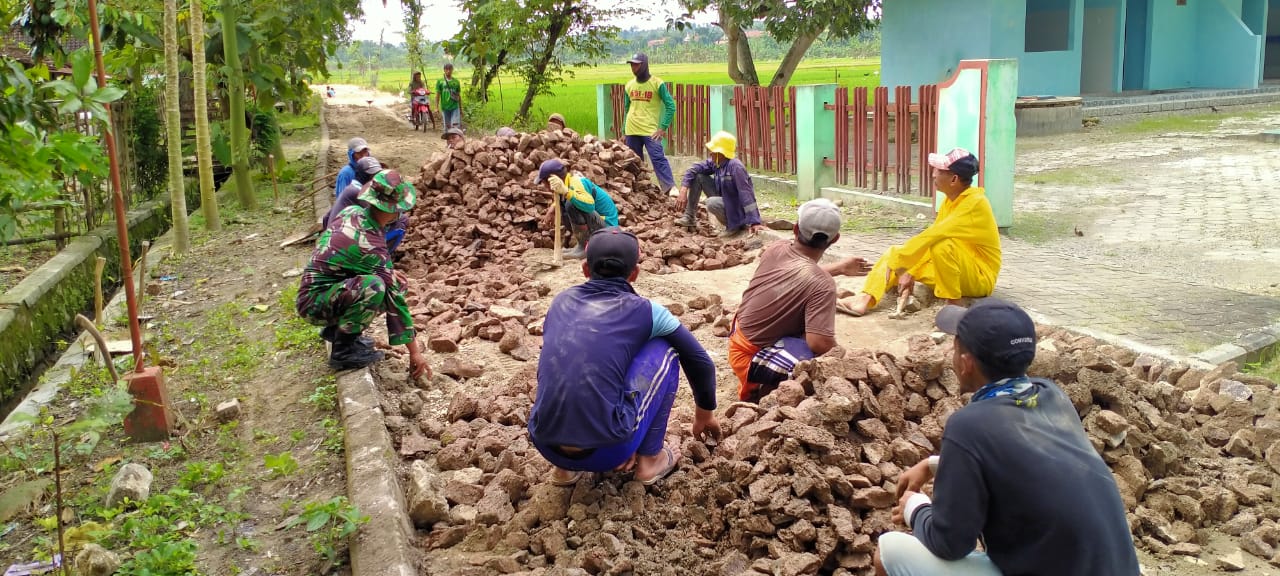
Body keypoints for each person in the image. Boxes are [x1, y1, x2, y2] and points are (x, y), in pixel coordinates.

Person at [874, 299, 1140, 576]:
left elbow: (950, 543)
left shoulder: (967, 425)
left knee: (887, 552)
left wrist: (915, 509)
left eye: (954, 348)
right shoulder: (1051, 394)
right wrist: (933, 465)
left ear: (965, 364)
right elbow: (1020, 462)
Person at [527, 228, 720, 487]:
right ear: (635, 274)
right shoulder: (646, 311)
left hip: (544, 442)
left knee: (576, 356)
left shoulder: (560, 302)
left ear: (585, 270)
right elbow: (700, 361)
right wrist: (704, 415)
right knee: (666, 349)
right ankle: (650, 460)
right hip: (609, 450)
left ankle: (564, 469)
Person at [728, 199, 871, 402]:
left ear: (795, 230)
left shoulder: (776, 249)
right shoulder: (822, 285)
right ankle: (762, 392)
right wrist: (848, 364)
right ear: (835, 239)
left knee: (809, 331)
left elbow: (798, 274)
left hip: (738, 336)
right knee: (817, 365)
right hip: (749, 357)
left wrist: (839, 268)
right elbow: (820, 343)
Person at [297, 170, 430, 376]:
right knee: (376, 287)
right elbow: (396, 301)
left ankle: (338, 331)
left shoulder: (352, 212)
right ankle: (343, 351)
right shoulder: (371, 245)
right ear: (393, 210)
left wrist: (389, 273)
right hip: (314, 303)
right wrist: (415, 353)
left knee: (393, 281)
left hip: (325, 292)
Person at [840, 148, 1001, 317]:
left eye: (938, 171)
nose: (933, 174)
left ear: (954, 179)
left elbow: (933, 236)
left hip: (979, 277)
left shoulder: (975, 203)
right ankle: (865, 299)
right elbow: (928, 243)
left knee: (936, 247)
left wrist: (902, 261)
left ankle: (954, 305)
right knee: (892, 255)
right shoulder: (951, 200)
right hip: (955, 269)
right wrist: (909, 270)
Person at [675, 131, 763, 238]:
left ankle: (735, 226)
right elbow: (693, 169)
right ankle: (689, 217)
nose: (711, 153)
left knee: (712, 202)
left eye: (713, 150)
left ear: (722, 153)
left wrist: (754, 221)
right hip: (726, 201)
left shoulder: (735, 167)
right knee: (698, 177)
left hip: (736, 209)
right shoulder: (717, 163)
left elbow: (746, 194)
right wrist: (684, 189)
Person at [536, 158, 620, 259]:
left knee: (571, 203)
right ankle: (581, 245)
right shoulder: (564, 185)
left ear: (551, 179)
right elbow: (561, 199)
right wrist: (553, 208)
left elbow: (589, 206)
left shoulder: (576, 183)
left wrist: (567, 192)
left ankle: (584, 247)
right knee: (566, 204)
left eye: (544, 182)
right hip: (599, 225)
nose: (544, 186)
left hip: (608, 229)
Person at [325, 158, 408, 255]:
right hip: (344, 246)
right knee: (401, 221)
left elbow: (326, 217)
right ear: (363, 175)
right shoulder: (359, 192)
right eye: (373, 176)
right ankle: (380, 254)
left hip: (334, 239)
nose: (376, 179)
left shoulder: (351, 188)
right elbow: (378, 216)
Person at [623, 53, 676, 193]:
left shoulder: (657, 84)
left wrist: (663, 127)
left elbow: (671, 106)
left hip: (650, 130)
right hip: (631, 129)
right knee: (634, 162)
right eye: (631, 65)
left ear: (644, 64)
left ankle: (669, 189)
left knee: (658, 158)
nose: (633, 68)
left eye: (636, 64)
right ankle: (639, 189)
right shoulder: (629, 86)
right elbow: (627, 109)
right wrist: (624, 131)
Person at [436, 63, 462, 130]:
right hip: (445, 107)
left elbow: (459, 96)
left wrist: (461, 109)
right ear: (444, 70)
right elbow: (438, 95)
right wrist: (436, 107)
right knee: (447, 127)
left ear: (452, 70)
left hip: (455, 107)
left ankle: (456, 139)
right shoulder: (440, 81)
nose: (448, 71)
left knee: (455, 126)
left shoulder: (456, 82)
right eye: (446, 69)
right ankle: (449, 140)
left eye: (450, 69)